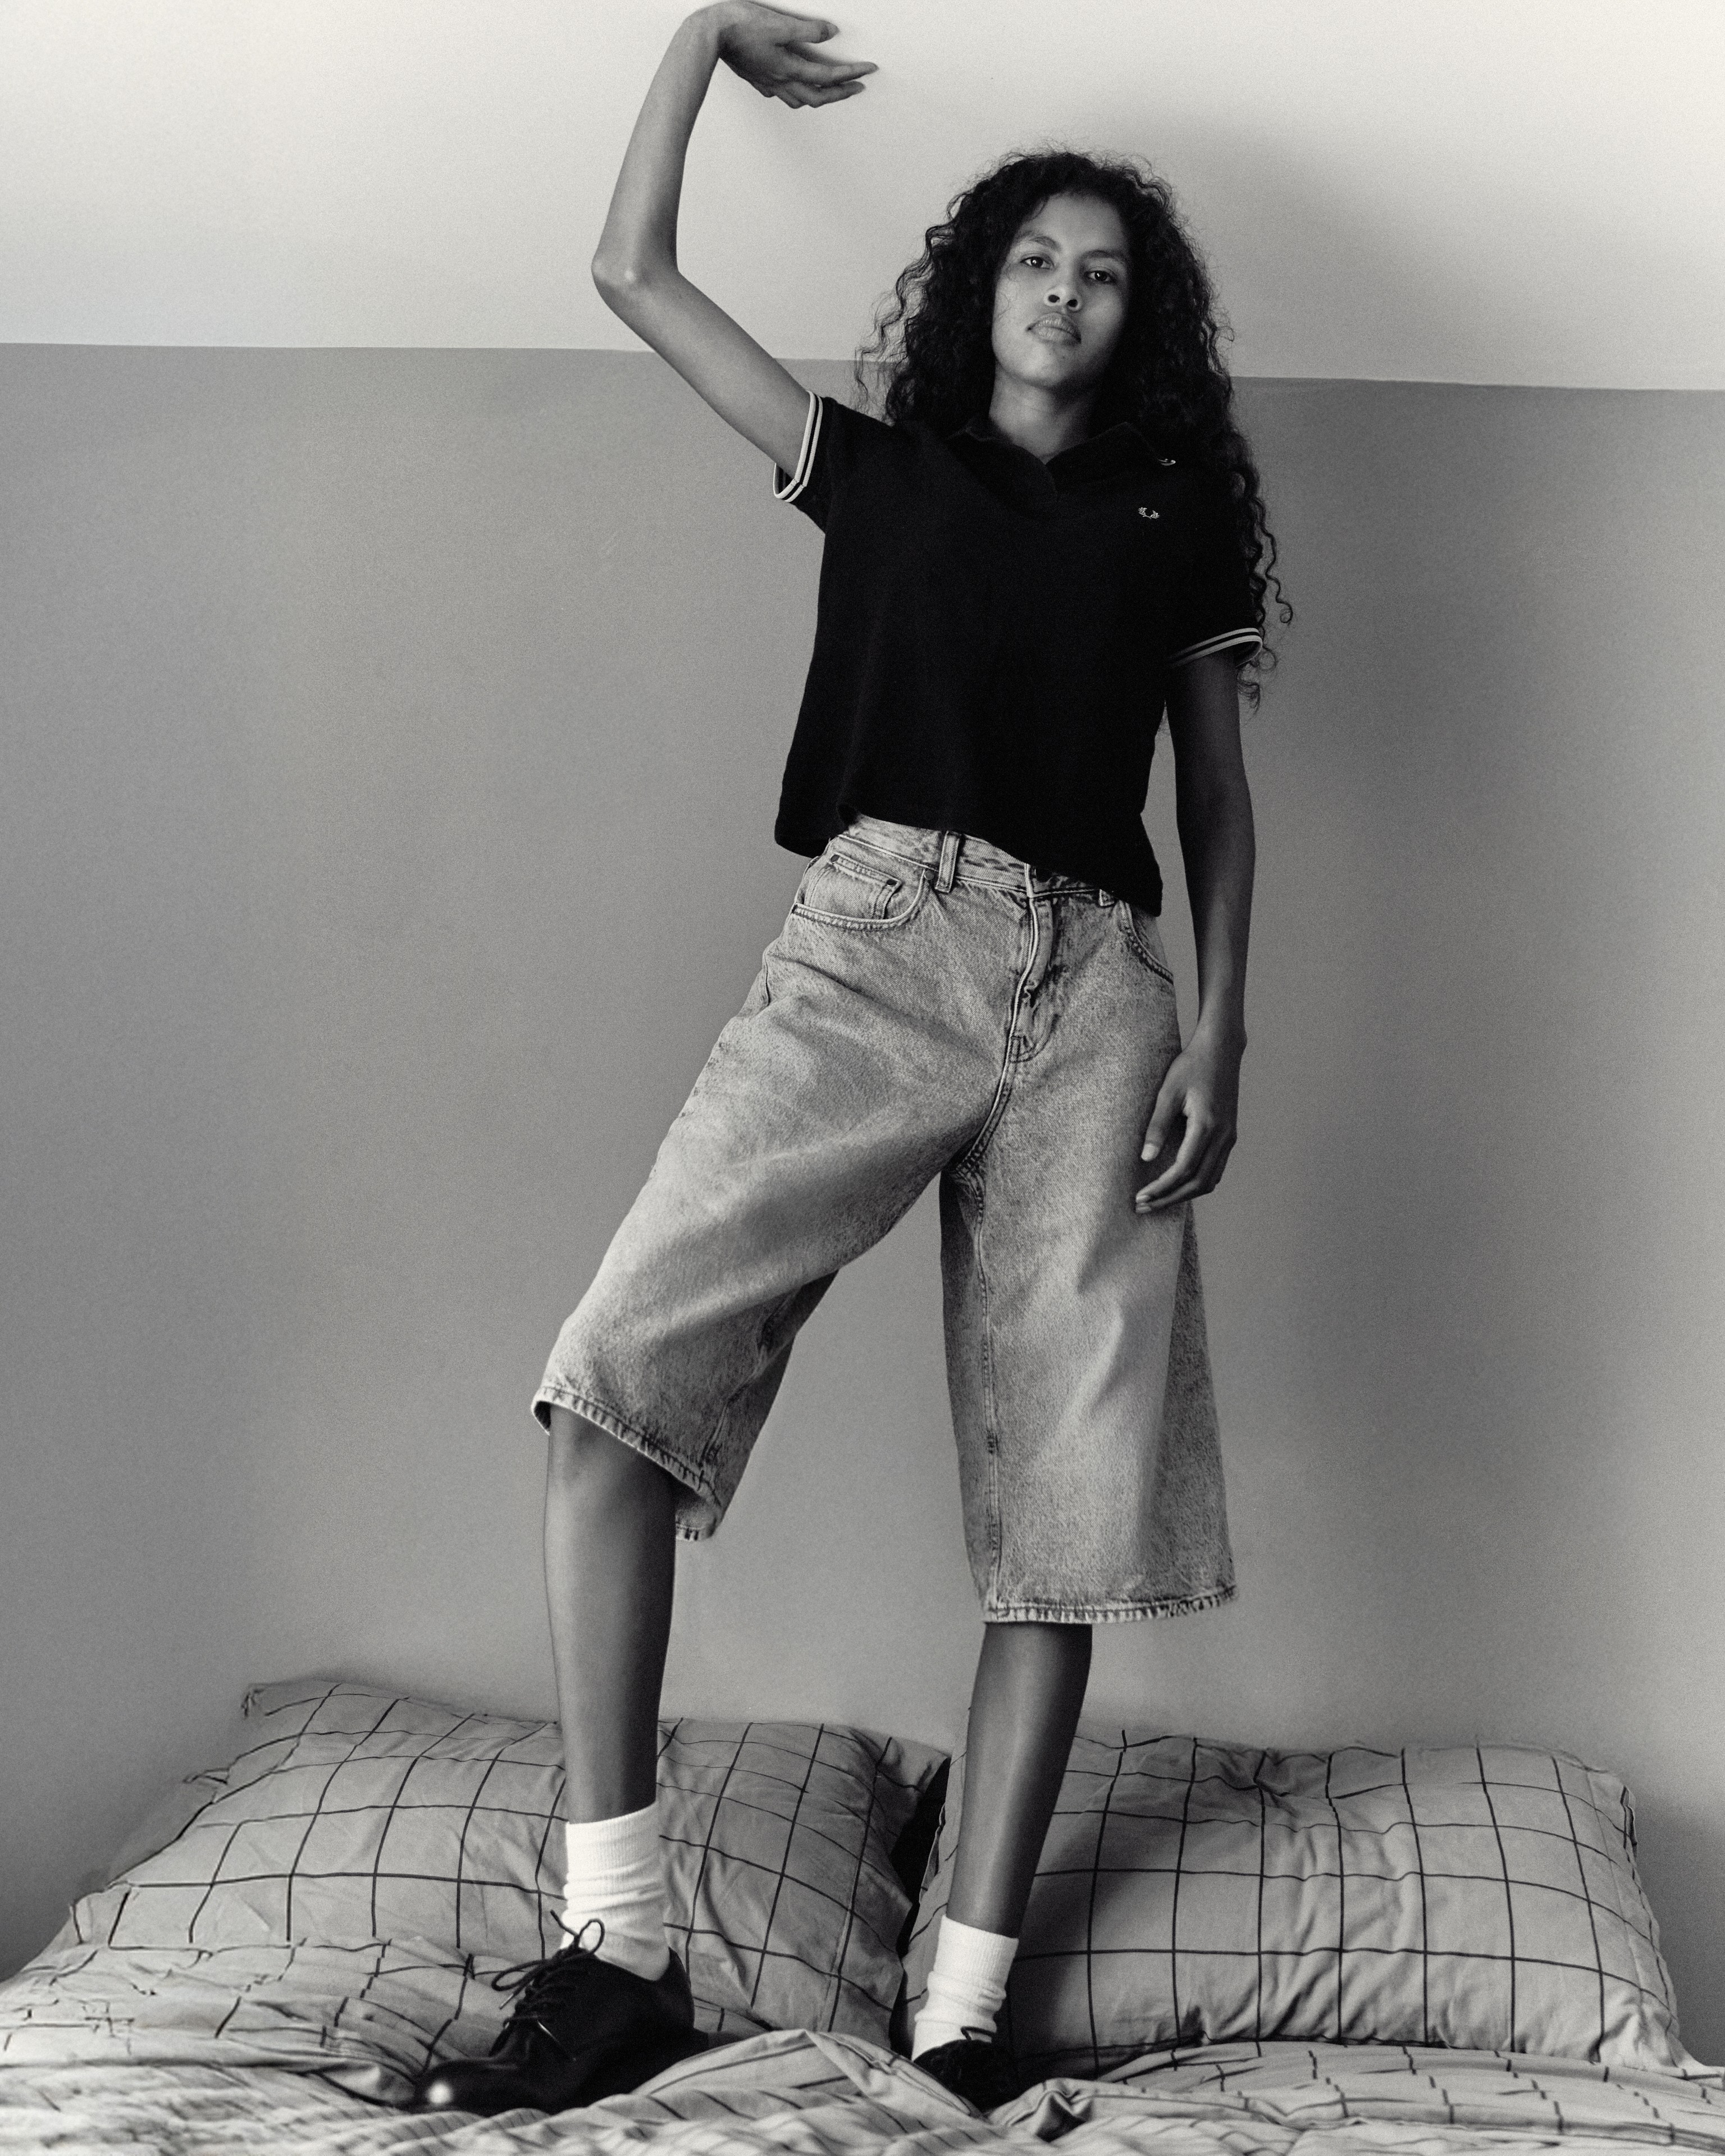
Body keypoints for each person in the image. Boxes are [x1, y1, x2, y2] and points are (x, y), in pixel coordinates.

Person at [410, 0, 1283, 2119]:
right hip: (882, 949)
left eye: (1103, 273)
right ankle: (617, 1947)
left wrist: (1224, 1026)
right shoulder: (878, 471)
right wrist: (700, 36)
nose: (1064, 294)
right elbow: (631, 273)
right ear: (979, 288)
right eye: (1034, 259)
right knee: (614, 1384)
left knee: (1062, 1519)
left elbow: (1215, 800)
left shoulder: (1174, 517)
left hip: (1103, 1003)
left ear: (1138, 319)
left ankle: (957, 2013)